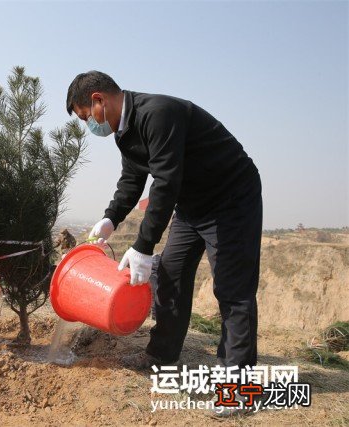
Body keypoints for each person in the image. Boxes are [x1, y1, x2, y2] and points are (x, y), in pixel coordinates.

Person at [66, 72, 262, 380]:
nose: (88, 124)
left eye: (85, 117)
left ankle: (236, 381)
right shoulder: (124, 132)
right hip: (192, 204)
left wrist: (143, 246)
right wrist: (110, 218)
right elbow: (131, 181)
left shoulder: (157, 114)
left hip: (230, 199)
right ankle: (161, 354)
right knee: (172, 275)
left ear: (98, 100)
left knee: (232, 288)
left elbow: (166, 181)